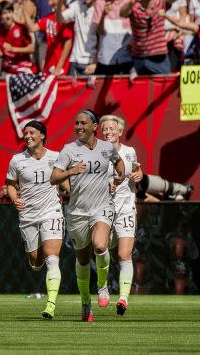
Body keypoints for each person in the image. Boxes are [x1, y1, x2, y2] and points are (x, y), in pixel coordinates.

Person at [50, 109, 126, 323]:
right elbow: (54, 177)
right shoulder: (68, 150)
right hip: (77, 212)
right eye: (76, 123)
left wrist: (120, 174)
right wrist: (70, 172)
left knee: (100, 246)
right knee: (82, 258)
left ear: (95, 127)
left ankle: (102, 286)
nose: (79, 127)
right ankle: (85, 302)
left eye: (83, 123)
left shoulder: (106, 147)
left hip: (102, 207)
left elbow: (118, 161)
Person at [5, 120, 65, 320]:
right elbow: (11, 185)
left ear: (42, 136)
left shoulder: (57, 157)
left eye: (32, 133)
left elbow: (66, 183)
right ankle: (36, 262)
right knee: (36, 262)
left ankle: (50, 305)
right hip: (28, 216)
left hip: (52, 212)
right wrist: (15, 198)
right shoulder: (17, 160)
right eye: (25, 133)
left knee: (52, 258)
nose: (27, 136)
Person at [98, 115, 144, 316]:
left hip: (126, 208)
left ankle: (123, 299)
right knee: (103, 249)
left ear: (119, 131)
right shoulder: (96, 153)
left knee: (125, 255)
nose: (108, 131)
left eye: (111, 128)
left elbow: (137, 171)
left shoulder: (129, 151)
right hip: (103, 209)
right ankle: (103, 286)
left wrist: (138, 175)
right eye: (105, 129)